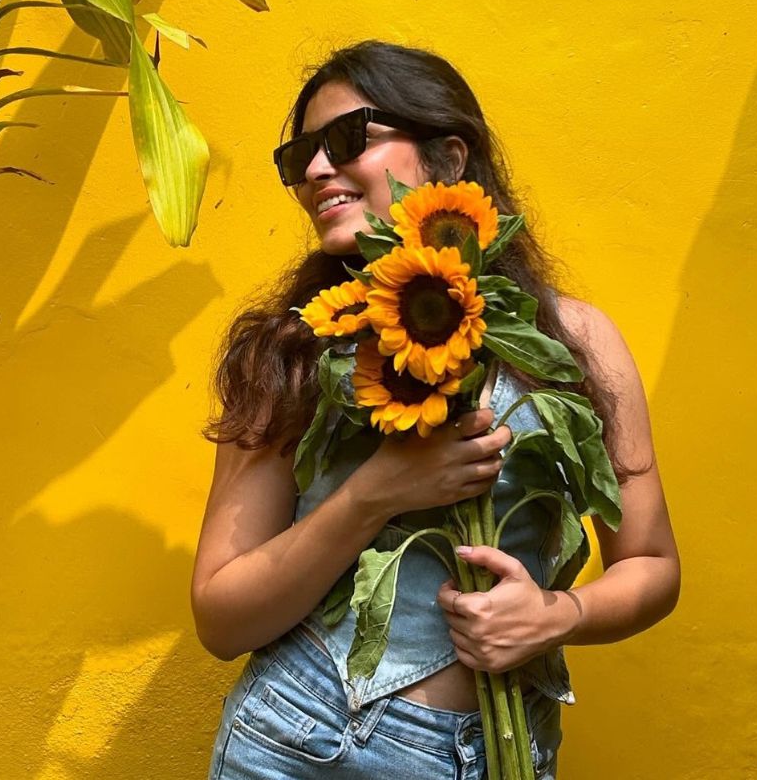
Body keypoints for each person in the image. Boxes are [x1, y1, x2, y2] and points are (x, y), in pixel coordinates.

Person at [192, 40, 681, 779]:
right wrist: (372, 495)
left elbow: (650, 564)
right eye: (300, 159)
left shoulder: (574, 343)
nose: (317, 171)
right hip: (298, 744)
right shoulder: (293, 349)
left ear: (450, 161)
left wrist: (559, 616)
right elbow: (222, 618)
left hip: (495, 758)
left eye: (346, 139)